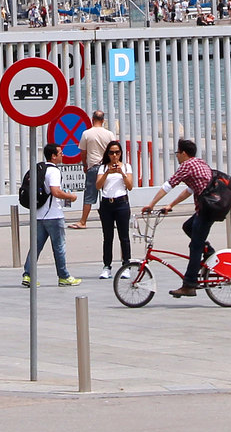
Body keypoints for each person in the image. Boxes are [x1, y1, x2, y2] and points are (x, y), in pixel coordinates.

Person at [146, 138, 218, 298]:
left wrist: (151, 204)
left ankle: (189, 284)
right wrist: (171, 205)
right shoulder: (199, 163)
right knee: (188, 227)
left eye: (177, 153)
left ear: (183, 153)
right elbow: (190, 190)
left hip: (206, 210)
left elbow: (168, 185)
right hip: (209, 208)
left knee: (195, 247)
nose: (176, 156)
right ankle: (209, 252)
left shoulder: (186, 166)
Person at [20, 141, 80, 287]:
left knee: (36, 247)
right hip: (53, 215)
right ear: (53, 156)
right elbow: (55, 191)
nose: (62, 155)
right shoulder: (54, 171)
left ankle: (28, 275)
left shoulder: (40, 169)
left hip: (39, 215)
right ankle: (63, 276)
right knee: (59, 247)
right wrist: (70, 196)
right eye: (60, 153)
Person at [95, 140, 136, 279]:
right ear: (108, 154)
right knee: (108, 237)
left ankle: (126, 264)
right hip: (107, 204)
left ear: (120, 154)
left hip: (121, 203)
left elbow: (130, 186)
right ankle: (107, 266)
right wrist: (108, 172)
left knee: (124, 236)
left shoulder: (126, 167)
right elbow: (98, 185)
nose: (114, 155)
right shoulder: (102, 168)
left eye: (117, 152)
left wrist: (121, 173)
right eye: (111, 152)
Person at [73, 112, 117, 231]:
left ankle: (83, 221)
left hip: (93, 166)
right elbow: (114, 149)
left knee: (89, 195)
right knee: (108, 194)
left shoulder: (86, 133)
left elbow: (83, 152)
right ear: (103, 120)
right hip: (107, 167)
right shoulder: (109, 134)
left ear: (92, 119)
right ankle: (111, 220)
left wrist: (85, 164)